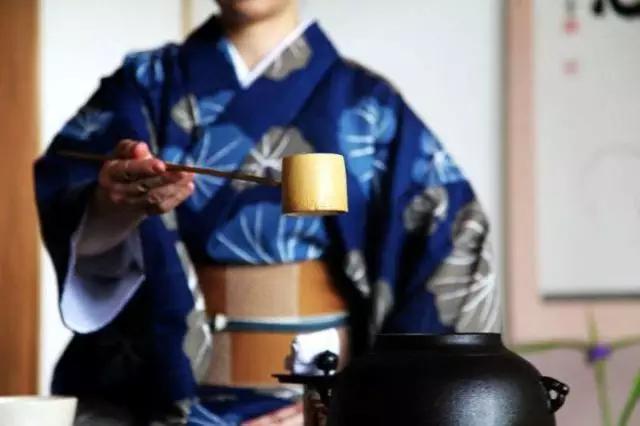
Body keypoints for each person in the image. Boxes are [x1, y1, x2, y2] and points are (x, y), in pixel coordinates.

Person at [34, 0, 499, 424]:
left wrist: (353, 405)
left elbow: (453, 242)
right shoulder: (143, 87)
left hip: (319, 410)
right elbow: (69, 189)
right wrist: (113, 208)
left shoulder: (368, 105)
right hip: (157, 404)